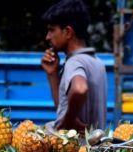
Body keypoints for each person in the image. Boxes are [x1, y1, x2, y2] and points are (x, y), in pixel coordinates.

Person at [41, 0, 108, 132]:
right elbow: (62, 110)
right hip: (93, 149)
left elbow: (80, 89)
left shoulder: (74, 62)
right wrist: (52, 74)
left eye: (51, 30)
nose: (47, 37)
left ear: (68, 32)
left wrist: (69, 120)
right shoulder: (97, 62)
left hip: (78, 150)